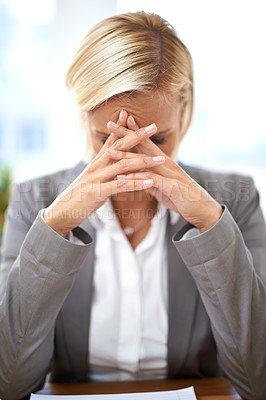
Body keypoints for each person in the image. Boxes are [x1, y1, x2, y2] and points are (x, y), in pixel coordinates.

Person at [0, 11, 265, 400]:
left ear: (185, 111)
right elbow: (10, 383)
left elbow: (258, 381)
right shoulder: (33, 202)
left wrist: (210, 224)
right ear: (83, 113)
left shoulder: (233, 202)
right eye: (109, 140)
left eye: (156, 141)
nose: (132, 159)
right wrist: (55, 228)